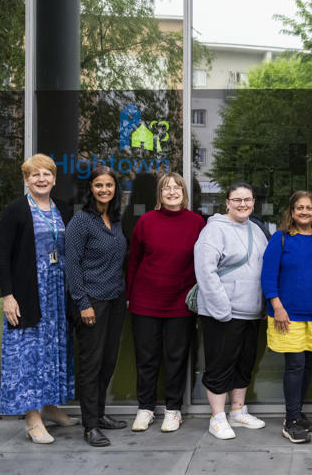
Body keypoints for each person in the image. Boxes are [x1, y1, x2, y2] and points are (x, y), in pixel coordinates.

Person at [0, 154, 76, 444]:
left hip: (57, 291)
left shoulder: (63, 208)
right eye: (34, 175)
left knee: (54, 350)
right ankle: (32, 417)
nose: (41, 179)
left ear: (54, 179)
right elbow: (2, 256)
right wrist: (8, 296)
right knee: (29, 354)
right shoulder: (16, 210)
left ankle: (51, 406)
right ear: (26, 179)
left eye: (46, 174)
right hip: (30, 291)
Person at [126, 172, 205, 433]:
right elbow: (134, 261)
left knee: (176, 358)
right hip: (145, 301)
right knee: (147, 359)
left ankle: (173, 410)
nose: (172, 192)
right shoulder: (146, 222)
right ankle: (145, 408)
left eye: (177, 187)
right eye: (166, 188)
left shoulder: (196, 223)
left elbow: (202, 263)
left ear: (184, 192)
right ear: (159, 194)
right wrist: (129, 295)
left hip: (181, 303)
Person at [194, 182, 268, 440]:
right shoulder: (214, 230)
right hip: (223, 312)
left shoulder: (257, 230)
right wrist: (221, 308)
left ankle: (237, 411)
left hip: (251, 312)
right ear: (227, 202)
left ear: (253, 202)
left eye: (247, 199)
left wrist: (262, 304)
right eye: (237, 199)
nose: (243, 204)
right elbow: (206, 270)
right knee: (220, 364)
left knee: (244, 363)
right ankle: (217, 417)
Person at [261, 191, 312, 444]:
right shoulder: (279, 239)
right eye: (299, 208)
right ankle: (290, 421)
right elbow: (268, 277)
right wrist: (277, 307)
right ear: (291, 212)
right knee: (295, 366)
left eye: (309, 208)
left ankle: (298, 412)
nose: (304, 212)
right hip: (287, 317)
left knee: (309, 366)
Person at [65, 165, 128, 447]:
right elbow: (72, 265)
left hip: (115, 301)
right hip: (91, 302)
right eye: (99, 185)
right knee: (91, 364)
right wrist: (82, 303)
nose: (104, 189)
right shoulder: (81, 221)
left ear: (115, 189)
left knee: (107, 361)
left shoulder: (113, 219)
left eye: (109, 185)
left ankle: (100, 415)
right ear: (90, 188)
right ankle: (90, 425)